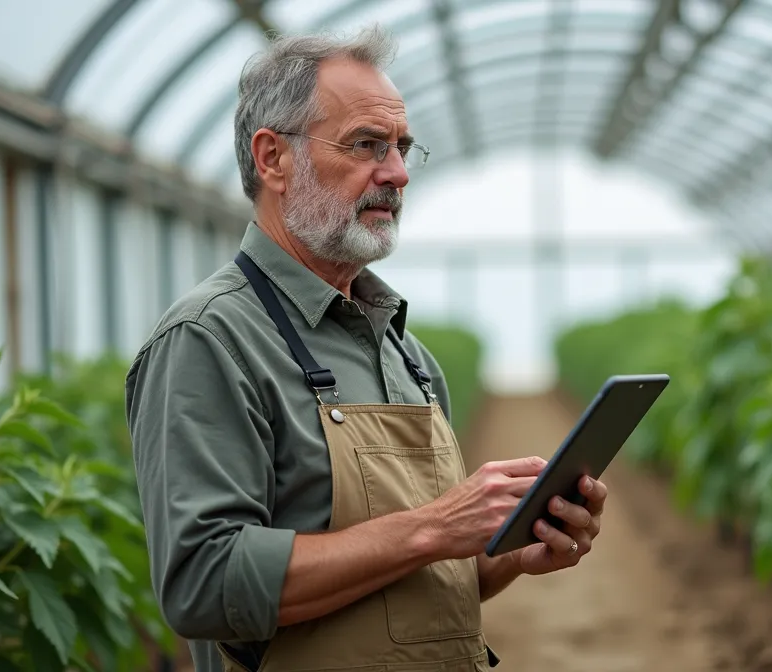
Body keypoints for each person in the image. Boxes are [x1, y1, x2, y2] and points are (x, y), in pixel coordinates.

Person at [124, 23, 609, 672]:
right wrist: (434, 525)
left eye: (404, 147)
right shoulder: (211, 340)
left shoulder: (405, 352)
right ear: (273, 159)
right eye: (367, 145)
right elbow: (204, 583)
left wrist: (513, 553)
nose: (399, 173)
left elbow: (422, 580)